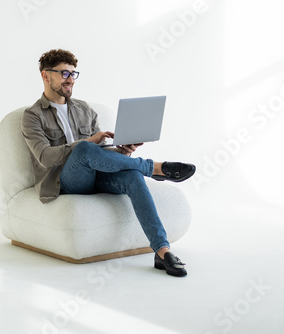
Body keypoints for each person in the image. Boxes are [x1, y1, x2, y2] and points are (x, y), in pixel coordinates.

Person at [21, 49, 195, 277]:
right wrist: (86, 144)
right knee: (83, 147)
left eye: (74, 73)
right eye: (64, 73)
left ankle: (162, 251)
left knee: (132, 175)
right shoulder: (32, 116)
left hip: (96, 174)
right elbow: (44, 157)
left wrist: (122, 152)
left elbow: (99, 154)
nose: (71, 79)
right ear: (46, 76)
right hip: (64, 181)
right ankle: (153, 168)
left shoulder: (85, 109)